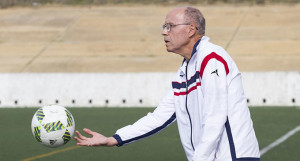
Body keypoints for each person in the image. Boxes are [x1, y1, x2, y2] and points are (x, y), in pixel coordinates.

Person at [75, 6, 260, 161]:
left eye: (170, 26)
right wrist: (114, 139)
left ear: (191, 29)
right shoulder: (184, 70)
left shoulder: (211, 58)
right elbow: (159, 117)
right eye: (164, 26)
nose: (164, 31)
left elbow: (215, 116)